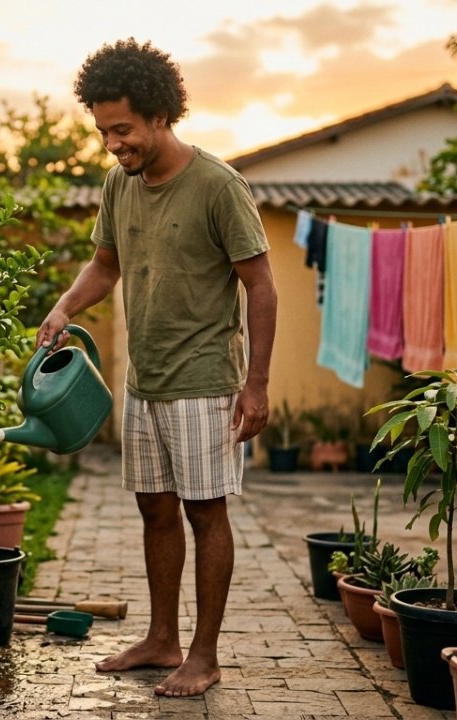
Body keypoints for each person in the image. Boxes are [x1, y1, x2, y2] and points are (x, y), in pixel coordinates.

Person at [37, 38, 277, 698]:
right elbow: (105, 265)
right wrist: (63, 307)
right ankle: (163, 638)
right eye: (103, 131)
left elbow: (261, 285)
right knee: (155, 512)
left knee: (207, 515)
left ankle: (204, 655)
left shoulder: (217, 186)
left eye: (123, 129)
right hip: (145, 380)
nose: (113, 144)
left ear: (160, 115)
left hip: (205, 382)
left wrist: (255, 386)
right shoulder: (119, 184)